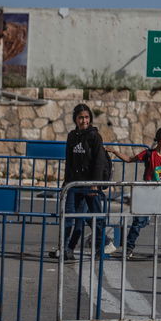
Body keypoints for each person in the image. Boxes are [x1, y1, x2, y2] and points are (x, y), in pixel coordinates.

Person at [107, 126, 161, 258]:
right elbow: (130, 159)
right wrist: (114, 152)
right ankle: (128, 248)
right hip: (148, 194)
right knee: (138, 222)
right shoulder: (149, 154)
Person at [62, 103, 110, 259]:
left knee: (97, 219)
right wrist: (66, 183)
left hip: (90, 185)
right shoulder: (71, 136)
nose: (84, 121)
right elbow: (69, 161)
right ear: (75, 119)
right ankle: (66, 249)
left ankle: (101, 248)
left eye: (87, 117)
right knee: (69, 218)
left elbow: (99, 161)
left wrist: (94, 184)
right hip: (73, 185)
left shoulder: (94, 136)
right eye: (81, 118)